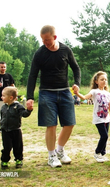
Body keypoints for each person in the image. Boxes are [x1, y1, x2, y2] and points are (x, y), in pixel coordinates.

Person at [26, 25, 81, 168]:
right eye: (43, 40)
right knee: (51, 125)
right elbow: (32, 76)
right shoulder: (40, 53)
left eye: (47, 40)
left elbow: (76, 68)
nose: (45, 43)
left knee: (69, 123)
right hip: (46, 92)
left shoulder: (65, 50)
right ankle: (51, 156)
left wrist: (77, 83)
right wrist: (30, 97)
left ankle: (60, 150)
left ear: (55, 37)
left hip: (64, 91)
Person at [75, 71, 110, 163]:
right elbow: (84, 98)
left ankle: (102, 154)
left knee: (106, 137)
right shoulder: (94, 91)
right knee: (104, 136)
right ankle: (97, 153)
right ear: (96, 81)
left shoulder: (108, 94)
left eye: (105, 79)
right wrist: (77, 94)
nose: (104, 81)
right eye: (102, 79)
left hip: (106, 118)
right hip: (98, 118)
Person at [0, 87, 33, 169]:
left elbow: (24, 114)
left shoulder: (18, 106)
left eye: (3, 96)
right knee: (6, 147)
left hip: (15, 130)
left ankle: (18, 159)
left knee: (17, 146)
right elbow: (2, 117)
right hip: (5, 131)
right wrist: (2, 126)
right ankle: (4, 160)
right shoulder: (3, 107)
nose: (1, 97)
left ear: (10, 97)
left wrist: (28, 110)